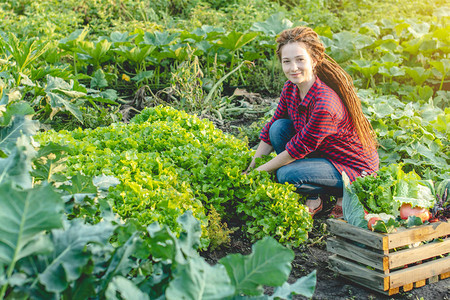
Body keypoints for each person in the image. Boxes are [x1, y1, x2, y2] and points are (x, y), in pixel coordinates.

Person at [245, 26, 379, 218]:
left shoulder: (325, 104)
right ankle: (315, 197)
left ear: (314, 61)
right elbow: (270, 129)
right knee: (278, 128)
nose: (293, 68)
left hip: (354, 168)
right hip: (326, 154)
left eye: (300, 60)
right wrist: (251, 167)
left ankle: (344, 194)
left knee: (285, 175)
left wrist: (257, 172)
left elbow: (295, 151)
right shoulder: (291, 88)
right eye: (287, 61)